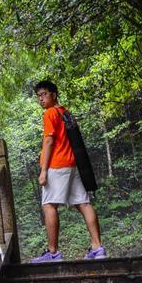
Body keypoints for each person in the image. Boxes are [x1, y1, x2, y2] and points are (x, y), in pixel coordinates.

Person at [30, 80, 106, 263]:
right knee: (83, 203)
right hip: (72, 165)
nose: (41, 99)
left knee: (49, 205)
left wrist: (43, 170)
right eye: (38, 96)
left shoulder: (50, 113)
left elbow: (48, 141)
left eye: (44, 94)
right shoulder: (66, 112)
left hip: (57, 165)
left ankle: (53, 252)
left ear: (54, 95)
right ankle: (98, 248)